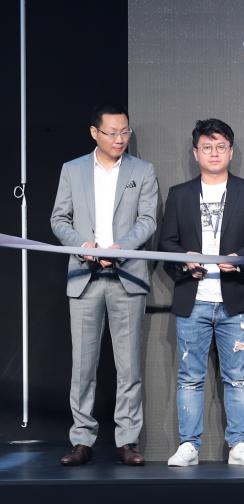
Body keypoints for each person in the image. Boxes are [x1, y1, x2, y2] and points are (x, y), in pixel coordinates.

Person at [50, 102, 159, 466]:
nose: (119, 138)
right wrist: (83, 246)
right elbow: (59, 219)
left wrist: (120, 248)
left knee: (129, 366)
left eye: (125, 131)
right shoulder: (73, 170)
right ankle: (82, 439)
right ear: (94, 133)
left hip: (127, 276)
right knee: (83, 366)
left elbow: (148, 220)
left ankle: (127, 440)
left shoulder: (142, 170)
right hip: (84, 277)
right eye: (112, 132)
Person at [158, 118, 244, 467]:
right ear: (195, 153)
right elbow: (166, 244)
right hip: (194, 299)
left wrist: (240, 258)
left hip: (235, 298)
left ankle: (239, 444)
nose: (214, 153)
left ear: (231, 151)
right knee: (189, 378)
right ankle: (188, 445)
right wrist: (184, 261)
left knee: (237, 377)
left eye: (221, 146)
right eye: (207, 147)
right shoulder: (179, 195)